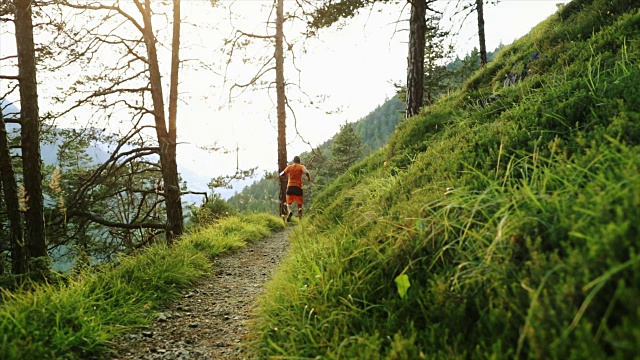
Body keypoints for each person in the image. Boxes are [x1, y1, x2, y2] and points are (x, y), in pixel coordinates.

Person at [279, 155, 311, 221]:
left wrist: (280, 175)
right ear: (299, 161)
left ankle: (290, 211)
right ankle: (300, 220)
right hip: (298, 188)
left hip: (290, 187)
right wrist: (308, 177)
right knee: (299, 205)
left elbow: (282, 173)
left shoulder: (289, 167)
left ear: (293, 161)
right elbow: (306, 172)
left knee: (288, 204)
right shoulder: (301, 166)